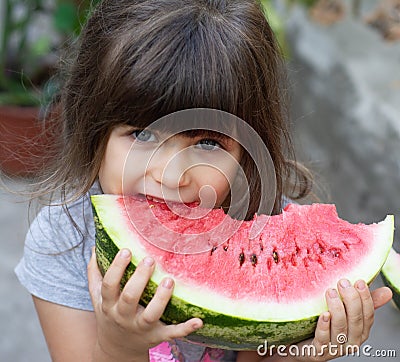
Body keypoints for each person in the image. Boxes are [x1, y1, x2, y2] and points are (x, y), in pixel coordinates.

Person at [15, 0, 392, 361]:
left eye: (207, 143)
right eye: (142, 135)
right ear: (93, 127)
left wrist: (303, 354)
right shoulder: (63, 241)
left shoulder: (269, 237)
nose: (171, 175)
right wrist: (120, 347)